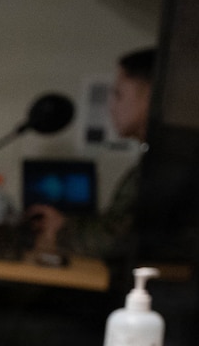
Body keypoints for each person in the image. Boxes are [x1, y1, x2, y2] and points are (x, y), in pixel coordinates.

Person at [29, 46, 153, 263]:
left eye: (118, 94)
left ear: (151, 97)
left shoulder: (166, 167)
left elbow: (114, 242)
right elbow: (116, 227)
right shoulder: (157, 158)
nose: (111, 107)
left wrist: (63, 231)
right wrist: (64, 225)